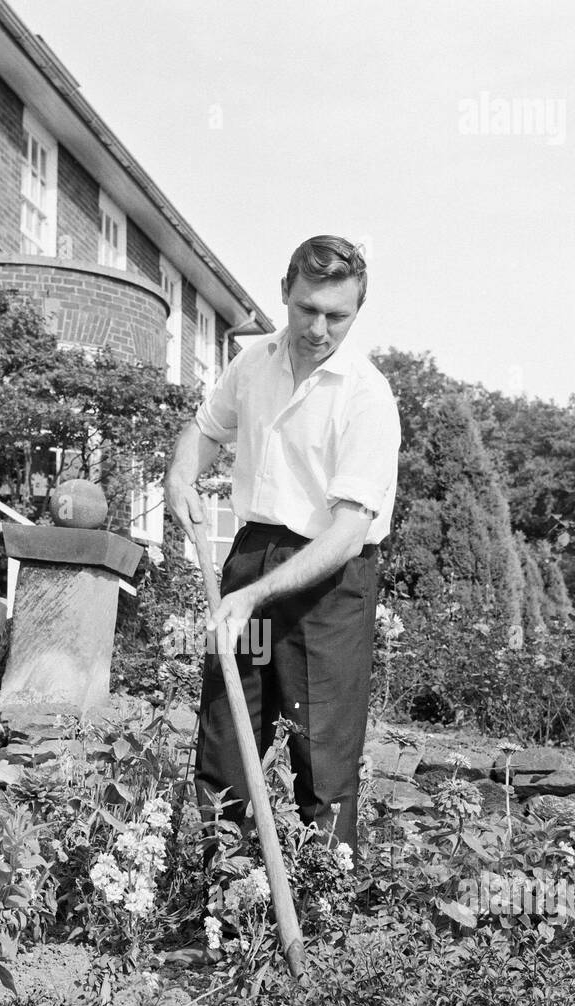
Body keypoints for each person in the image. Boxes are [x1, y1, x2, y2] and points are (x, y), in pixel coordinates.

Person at [164, 234, 401, 858]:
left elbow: (349, 532)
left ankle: (320, 920)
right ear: (284, 294)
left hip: (328, 585)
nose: (318, 328)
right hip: (252, 558)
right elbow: (204, 429)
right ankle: (221, 911)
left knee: (321, 758)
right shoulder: (252, 365)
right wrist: (181, 472)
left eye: (336, 316)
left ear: (356, 312)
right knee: (227, 739)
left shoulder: (367, 396)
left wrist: (256, 595)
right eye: (306, 309)